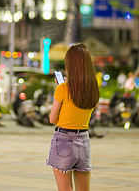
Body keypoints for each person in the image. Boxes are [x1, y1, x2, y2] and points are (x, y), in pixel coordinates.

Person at [45, 43, 99, 191]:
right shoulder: (93, 89)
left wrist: (63, 87)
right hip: (84, 140)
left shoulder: (62, 88)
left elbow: (53, 119)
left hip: (63, 141)